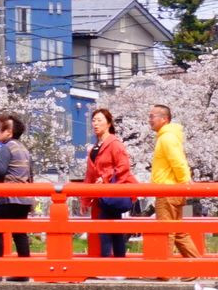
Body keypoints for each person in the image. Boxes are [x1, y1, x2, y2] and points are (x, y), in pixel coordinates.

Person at [81, 105, 139, 262]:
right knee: (114, 229)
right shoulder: (94, 148)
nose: (95, 124)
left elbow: (123, 167)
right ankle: (118, 264)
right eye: (93, 120)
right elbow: (89, 175)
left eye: (99, 120)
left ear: (108, 123)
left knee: (105, 228)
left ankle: (107, 263)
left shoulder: (115, 144)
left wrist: (106, 178)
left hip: (112, 192)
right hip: (101, 195)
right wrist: (85, 198)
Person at [0, 113, 32, 264]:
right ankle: (24, 270)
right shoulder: (24, 149)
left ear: (9, 132)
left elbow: (0, 171)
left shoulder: (6, 147)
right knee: (19, 233)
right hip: (23, 198)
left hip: (9, 197)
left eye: (0, 129)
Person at [153, 99, 197, 262]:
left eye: (152, 116)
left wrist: (185, 181)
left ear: (164, 119)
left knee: (166, 232)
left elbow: (178, 161)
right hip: (173, 190)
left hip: (167, 191)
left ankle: (164, 270)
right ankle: (200, 268)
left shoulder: (166, 138)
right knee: (179, 232)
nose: (149, 120)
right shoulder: (170, 136)